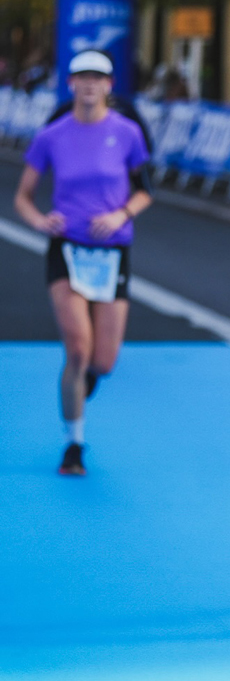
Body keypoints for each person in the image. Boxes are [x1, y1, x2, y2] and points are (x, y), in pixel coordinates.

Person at [13, 50, 153, 476]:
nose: (90, 84)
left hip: (112, 252)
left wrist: (120, 214)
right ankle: (73, 446)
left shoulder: (128, 133)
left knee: (103, 361)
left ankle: (83, 381)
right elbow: (23, 195)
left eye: (99, 77)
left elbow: (145, 191)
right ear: (71, 83)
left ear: (109, 86)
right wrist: (39, 219)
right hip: (67, 249)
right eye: (82, 77)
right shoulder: (52, 136)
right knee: (77, 348)